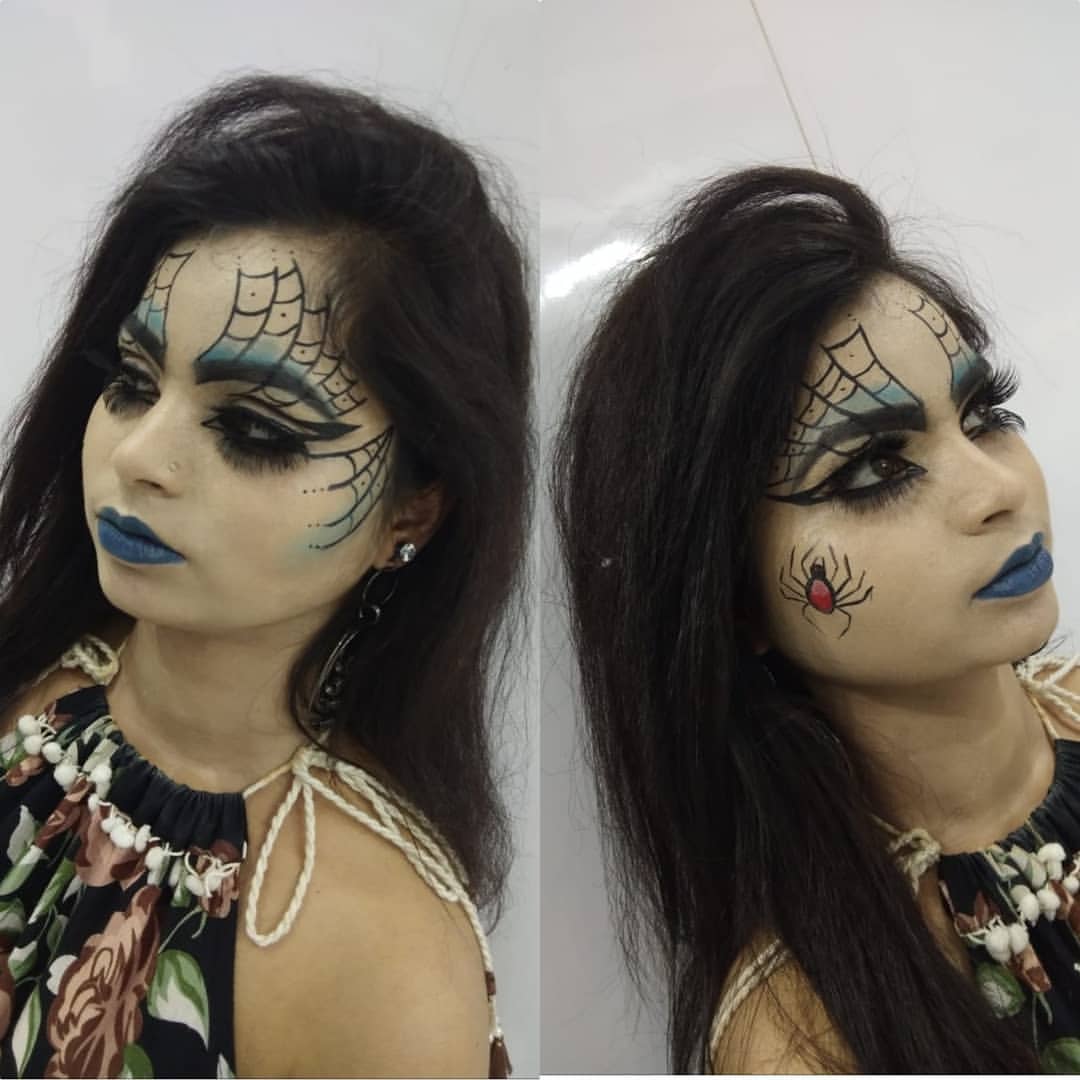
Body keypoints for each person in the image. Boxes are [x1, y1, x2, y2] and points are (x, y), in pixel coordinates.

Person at [0, 72, 531, 1078]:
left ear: (411, 512)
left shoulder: (377, 954)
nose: (140, 458)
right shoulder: (36, 681)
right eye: (132, 383)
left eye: (252, 429)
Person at [552, 165, 1080, 1073]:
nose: (998, 487)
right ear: (733, 595)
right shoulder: (808, 1033)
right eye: (874, 468)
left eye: (983, 413)